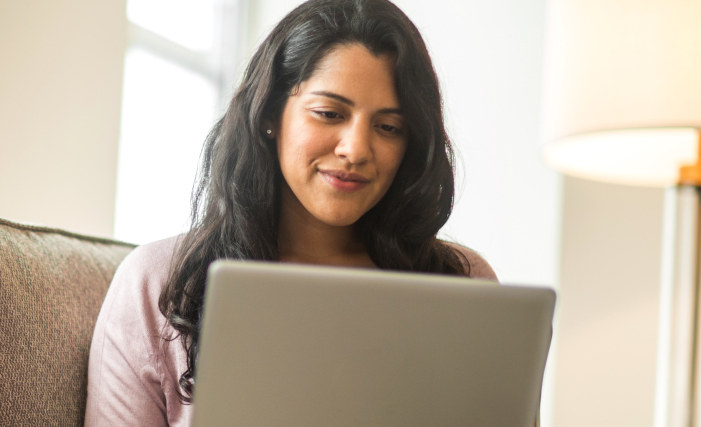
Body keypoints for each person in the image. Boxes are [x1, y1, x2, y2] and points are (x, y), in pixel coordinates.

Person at [84, 0, 497, 425]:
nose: (356, 149)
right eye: (329, 113)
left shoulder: (463, 285)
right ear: (269, 115)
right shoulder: (158, 284)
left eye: (389, 127)